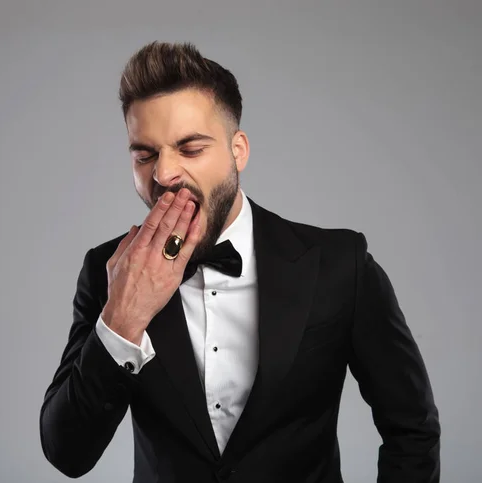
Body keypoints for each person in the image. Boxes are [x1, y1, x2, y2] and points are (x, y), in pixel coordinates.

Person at [39, 41, 440, 483]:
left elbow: (412, 430)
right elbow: (67, 453)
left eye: (190, 148)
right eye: (144, 155)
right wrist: (122, 319)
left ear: (238, 151)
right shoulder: (108, 272)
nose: (163, 174)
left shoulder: (340, 266)